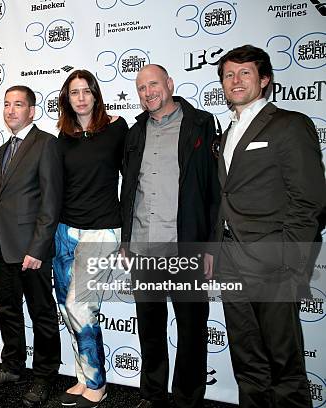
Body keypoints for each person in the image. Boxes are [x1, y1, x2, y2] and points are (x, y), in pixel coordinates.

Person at [215, 45, 325, 408]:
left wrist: (292, 265)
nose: (236, 80)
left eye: (245, 72)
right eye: (229, 74)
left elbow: (309, 200)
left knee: (285, 366)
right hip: (230, 259)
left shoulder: (289, 124)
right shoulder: (227, 131)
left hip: (274, 262)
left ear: (264, 80)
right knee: (247, 360)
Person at [120, 64, 220, 408]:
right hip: (144, 246)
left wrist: (209, 246)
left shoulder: (201, 124)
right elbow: (128, 190)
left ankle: (187, 399)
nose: (148, 92)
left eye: (153, 84)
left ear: (170, 84)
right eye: (141, 87)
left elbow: (213, 190)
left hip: (186, 246)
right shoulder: (135, 132)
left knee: (192, 330)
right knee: (149, 327)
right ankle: (153, 394)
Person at [0, 86, 62, 407]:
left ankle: (44, 377)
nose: (11, 110)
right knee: (8, 309)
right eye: (7, 104)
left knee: (41, 314)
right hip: (2, 245)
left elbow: (51, 202)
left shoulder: (46, 144)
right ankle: (12, 366)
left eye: (18, 105)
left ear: (32, 111)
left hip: (32, 250)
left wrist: (38, 249)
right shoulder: (6, 147)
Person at [53, 69, 128, 408]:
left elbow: (132, 179)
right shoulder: (63, 137)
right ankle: (83, 377)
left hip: (102, 229)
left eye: (86, 91)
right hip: (65, 231)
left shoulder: (117, 128)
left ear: (96, 95)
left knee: (80, 306)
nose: (81, 98)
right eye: (74, 93)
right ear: (66, 99)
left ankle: (98, 383)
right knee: (68, 310)